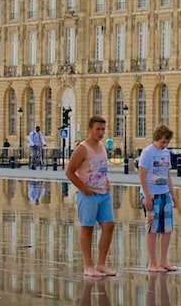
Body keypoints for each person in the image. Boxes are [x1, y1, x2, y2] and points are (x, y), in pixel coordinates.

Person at [64, 116, 116, 277]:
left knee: (109, 226)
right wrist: (84, 189)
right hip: (88, 194)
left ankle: (101, 264)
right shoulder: (82, 148)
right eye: (97, 129)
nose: (101, 132)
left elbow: (101, 168)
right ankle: (88, 265)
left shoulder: (102, 146)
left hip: (103, 193)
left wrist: (107, 182)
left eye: (103, 129)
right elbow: (69, 172)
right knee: (87, 228)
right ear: (89, 129)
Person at [136, 125, 180, 273]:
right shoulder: (147, 153)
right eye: (162, 142)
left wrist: (174, 195)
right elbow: (142, 175)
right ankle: (152, 263)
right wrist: (147, 195)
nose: (165, 145)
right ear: (156, 138)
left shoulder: (166, 153)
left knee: (167, 228)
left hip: (164, 192)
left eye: (167, 142)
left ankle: (163, 261)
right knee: (152, 229)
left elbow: (167, 175)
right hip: (151, 194)